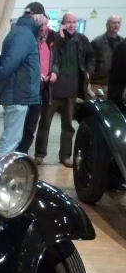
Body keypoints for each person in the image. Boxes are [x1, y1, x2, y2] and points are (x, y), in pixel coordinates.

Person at [34, 12, 93, 167]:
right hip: (53, 90)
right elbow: (50, 55)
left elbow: (91, 58)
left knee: (68, 125)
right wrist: (59, 37)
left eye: (74, 22)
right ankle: (40, 154)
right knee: (45, 123)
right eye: (68, 22)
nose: (72, 25)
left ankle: (65, 156)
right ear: (63, 23)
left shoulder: (82, 40)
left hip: (72, 91)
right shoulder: (54, 38)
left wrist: (87, 72)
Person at [0, 9, 45, 155]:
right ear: (37, 17)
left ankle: (0, 174)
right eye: (45, 21)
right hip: (18, 94)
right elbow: (10, 64)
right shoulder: (24, 34)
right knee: (10, 140)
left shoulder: (23, 32)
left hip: (19, 93)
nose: (45, 26)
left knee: (12, 138)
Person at [17, 3, 55, 155]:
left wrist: (54, 72)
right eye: (42, 25)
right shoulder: (27, 38)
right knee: (18, 127)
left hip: (41, 91)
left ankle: (23, 156)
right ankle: (13, 155)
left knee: (31, 128)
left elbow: (54, 61)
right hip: (25, 90)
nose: (44, 28)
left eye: (46, 25)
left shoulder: (48, 42)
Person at [90, 15, 122, 95]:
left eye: (118, 23)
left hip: (116, 83)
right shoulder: (97, 42)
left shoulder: (122, 43)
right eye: (114, 23)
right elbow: (90, 63)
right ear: (107, 25)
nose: (116, 25)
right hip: (97, 83)